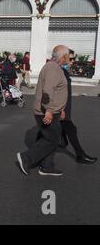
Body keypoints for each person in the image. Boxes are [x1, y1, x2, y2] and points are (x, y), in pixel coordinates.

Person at [17, 45, 69, 177]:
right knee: (51, 139)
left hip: (54, 110)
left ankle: (47, 166)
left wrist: (61, 109)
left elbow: (57, 91)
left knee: (52, 138)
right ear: (63, 56)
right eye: (68, 55)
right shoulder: (52, 68)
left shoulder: (56, 67)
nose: (69, 58)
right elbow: (47, 92)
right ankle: (26, 158)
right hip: (46, 111)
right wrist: (49, 111)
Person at [58, 49, 97, 164]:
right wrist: (61, 110)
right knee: (67, 130)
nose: (72, 61)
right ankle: (80, 155)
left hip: (63, 109)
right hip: (61, 110)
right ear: (63, 58)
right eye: (70, 59)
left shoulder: (63, 71)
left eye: (73, 59)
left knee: (50, 132)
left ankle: (63, 143)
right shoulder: (60, 72)